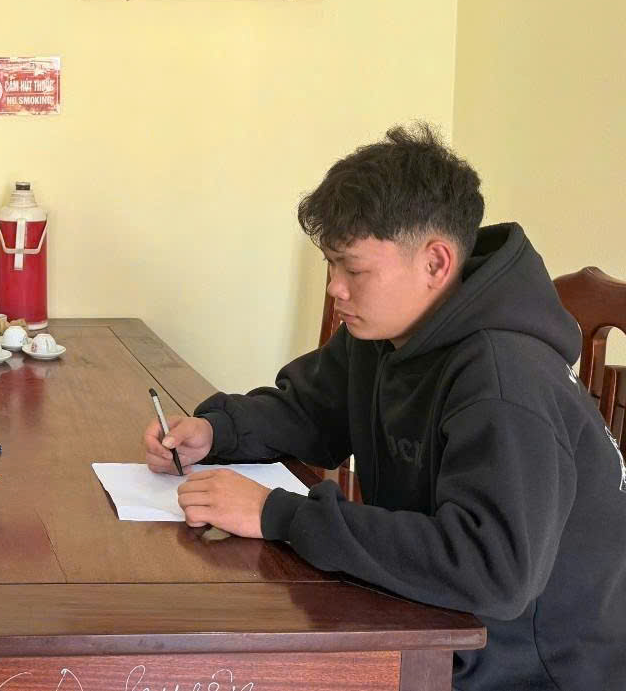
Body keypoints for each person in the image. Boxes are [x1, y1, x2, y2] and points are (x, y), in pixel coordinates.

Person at [143, 124, 626, 690]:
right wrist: (216, 432)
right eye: (330, 265)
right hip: (431, 617)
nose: (335, 288)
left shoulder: (505, 380)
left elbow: (493, 571)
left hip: (528, 669)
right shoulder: (389, 332)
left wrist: (280, 515)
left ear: (436, 263)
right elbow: (312, 411)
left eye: (353, 269)